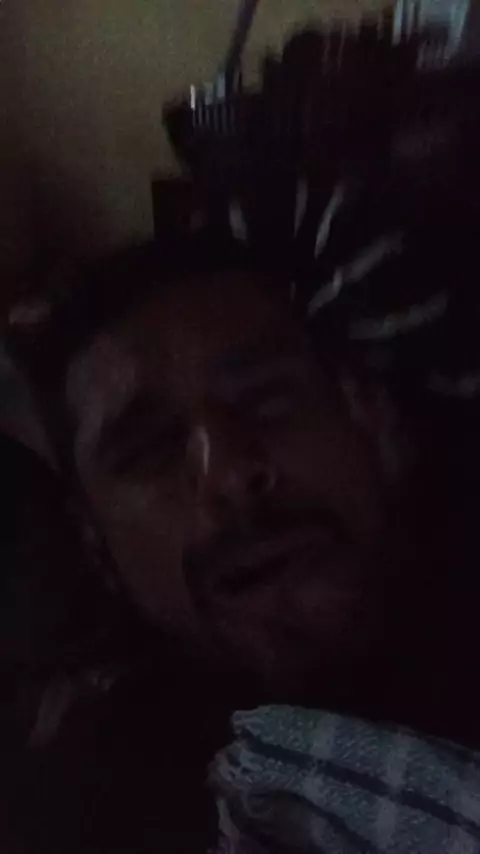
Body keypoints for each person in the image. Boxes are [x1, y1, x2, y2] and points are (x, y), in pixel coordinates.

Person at [7, 224, 480, 852]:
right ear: (97, 545)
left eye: (266, 400)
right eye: (149, 448)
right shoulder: (79, 815)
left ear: (372, 420)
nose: (229, 473)